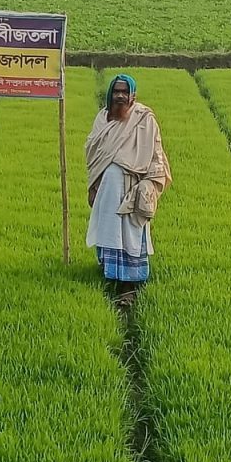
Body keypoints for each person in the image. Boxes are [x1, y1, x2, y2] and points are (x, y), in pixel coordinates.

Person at [85, 74, 172, 307]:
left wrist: (149, 185)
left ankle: (129, 285)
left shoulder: (144, 118)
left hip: (132, 189)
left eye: (125, 92)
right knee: (109, 230)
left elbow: (156, 155)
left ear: (133, 95)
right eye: (116, 91)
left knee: (130, 235)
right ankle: (110, 276)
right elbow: (93, 155)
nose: (120, 96)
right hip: (107, 190)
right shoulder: (102, 119)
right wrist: (93, 186)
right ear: (110, 94)